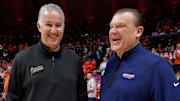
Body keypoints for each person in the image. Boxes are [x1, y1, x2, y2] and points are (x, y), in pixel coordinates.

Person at [7, 3, 88, 101]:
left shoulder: (74, 59)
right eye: (49, 25)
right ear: (39, 26)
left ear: (63, 27)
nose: (54, 31)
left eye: (58, 25)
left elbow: (82, 97)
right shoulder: (21, 59)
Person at [100, 8, 180, 101]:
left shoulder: (157, 66)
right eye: (111, 27)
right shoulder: (111, 61)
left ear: (138, 32)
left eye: (121, 26)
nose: (113, 31)